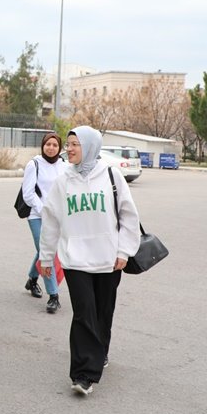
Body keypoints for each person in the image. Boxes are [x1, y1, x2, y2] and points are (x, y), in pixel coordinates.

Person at [38, 126, 140, 396]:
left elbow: (129, 216)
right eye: (69, 144)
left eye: (75, 144)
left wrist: (124, 251)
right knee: (84, 313)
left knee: (103, 312)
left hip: (108, 259)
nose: (69, 149)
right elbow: (50, 221)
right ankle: (84, 374)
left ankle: (100, 350)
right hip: (75, 259)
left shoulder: (111, 175)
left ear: (90, 146)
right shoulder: (63, 180)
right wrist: (46, 257)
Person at [21, 132, 69, 313]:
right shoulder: (34, 164)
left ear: (59, 147)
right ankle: (53, 296)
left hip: (58, 216)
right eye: (48, 144)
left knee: (45, 249)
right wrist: (44, 211)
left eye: (55, 145)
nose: (51, 148)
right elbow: (28, 193)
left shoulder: (65, 166)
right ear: (43, 146)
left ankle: (32, 279)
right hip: (37, 214)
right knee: (45, 251)